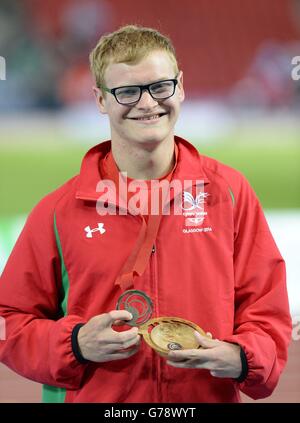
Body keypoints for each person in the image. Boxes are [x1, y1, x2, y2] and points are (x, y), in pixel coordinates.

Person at [0, 24, 291, 403]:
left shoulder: (229, 194)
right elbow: (8, 321)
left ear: (181, 87)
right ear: (101, 100)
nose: (147, 102)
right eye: (127, 92)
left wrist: (241, 356)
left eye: (159, 86)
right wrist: (73, 342)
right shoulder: (59, 211)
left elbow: (267, 310)